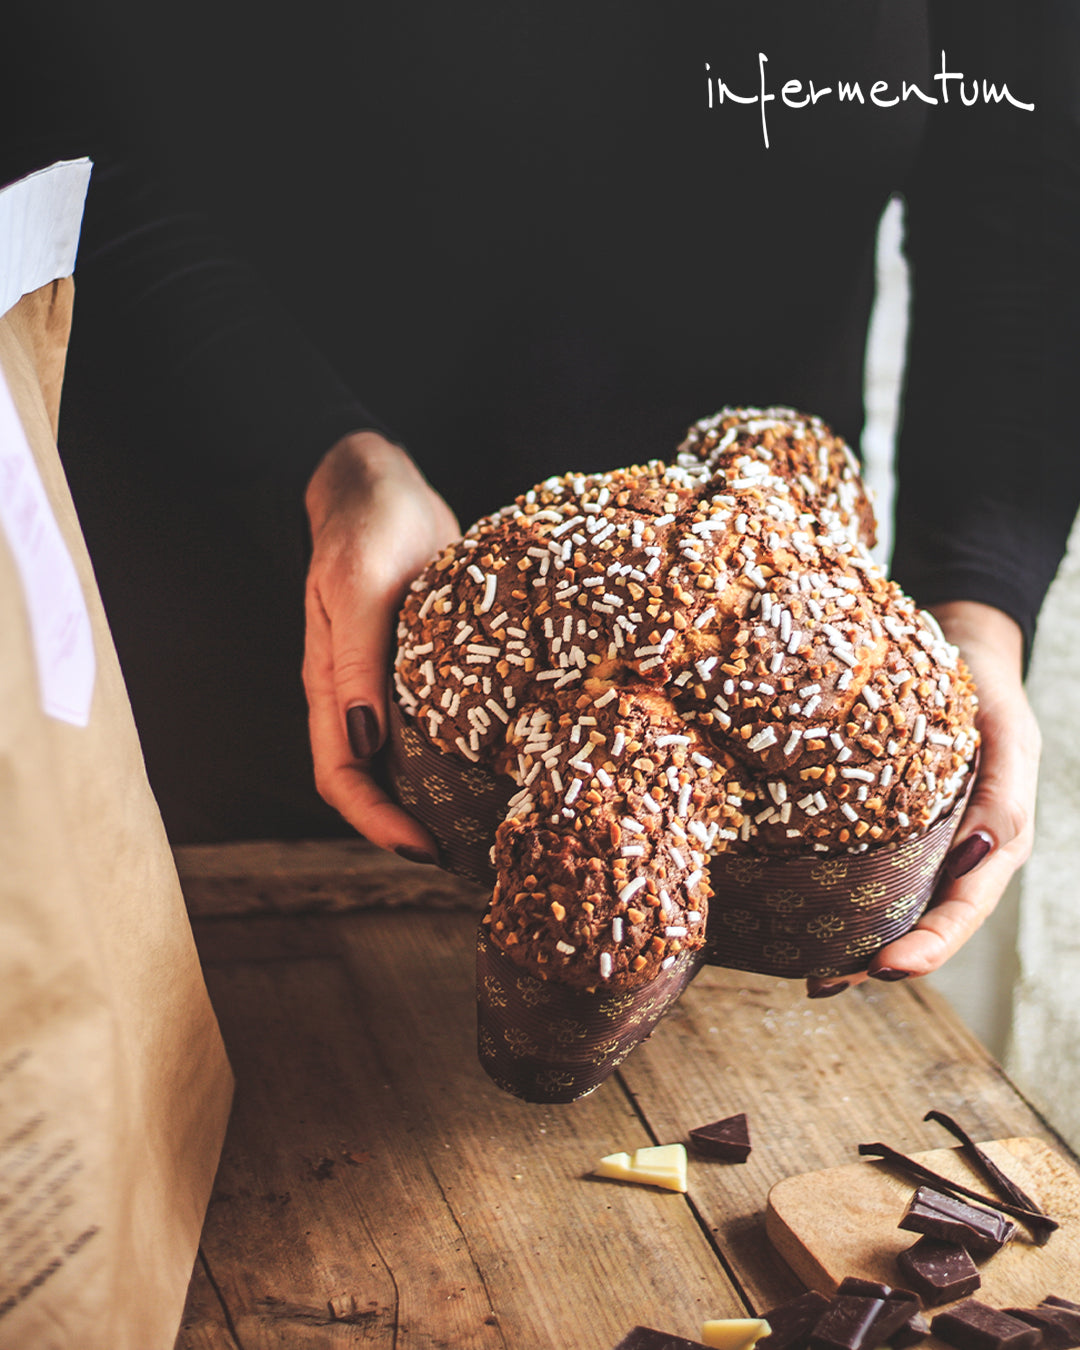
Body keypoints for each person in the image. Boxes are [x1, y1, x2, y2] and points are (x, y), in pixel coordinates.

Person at [7, 2, 1077, 993]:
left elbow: (1025, 202)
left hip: (785, 734)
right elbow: (46, 103)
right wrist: (324, 455)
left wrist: (975, 608)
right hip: (252, 607)